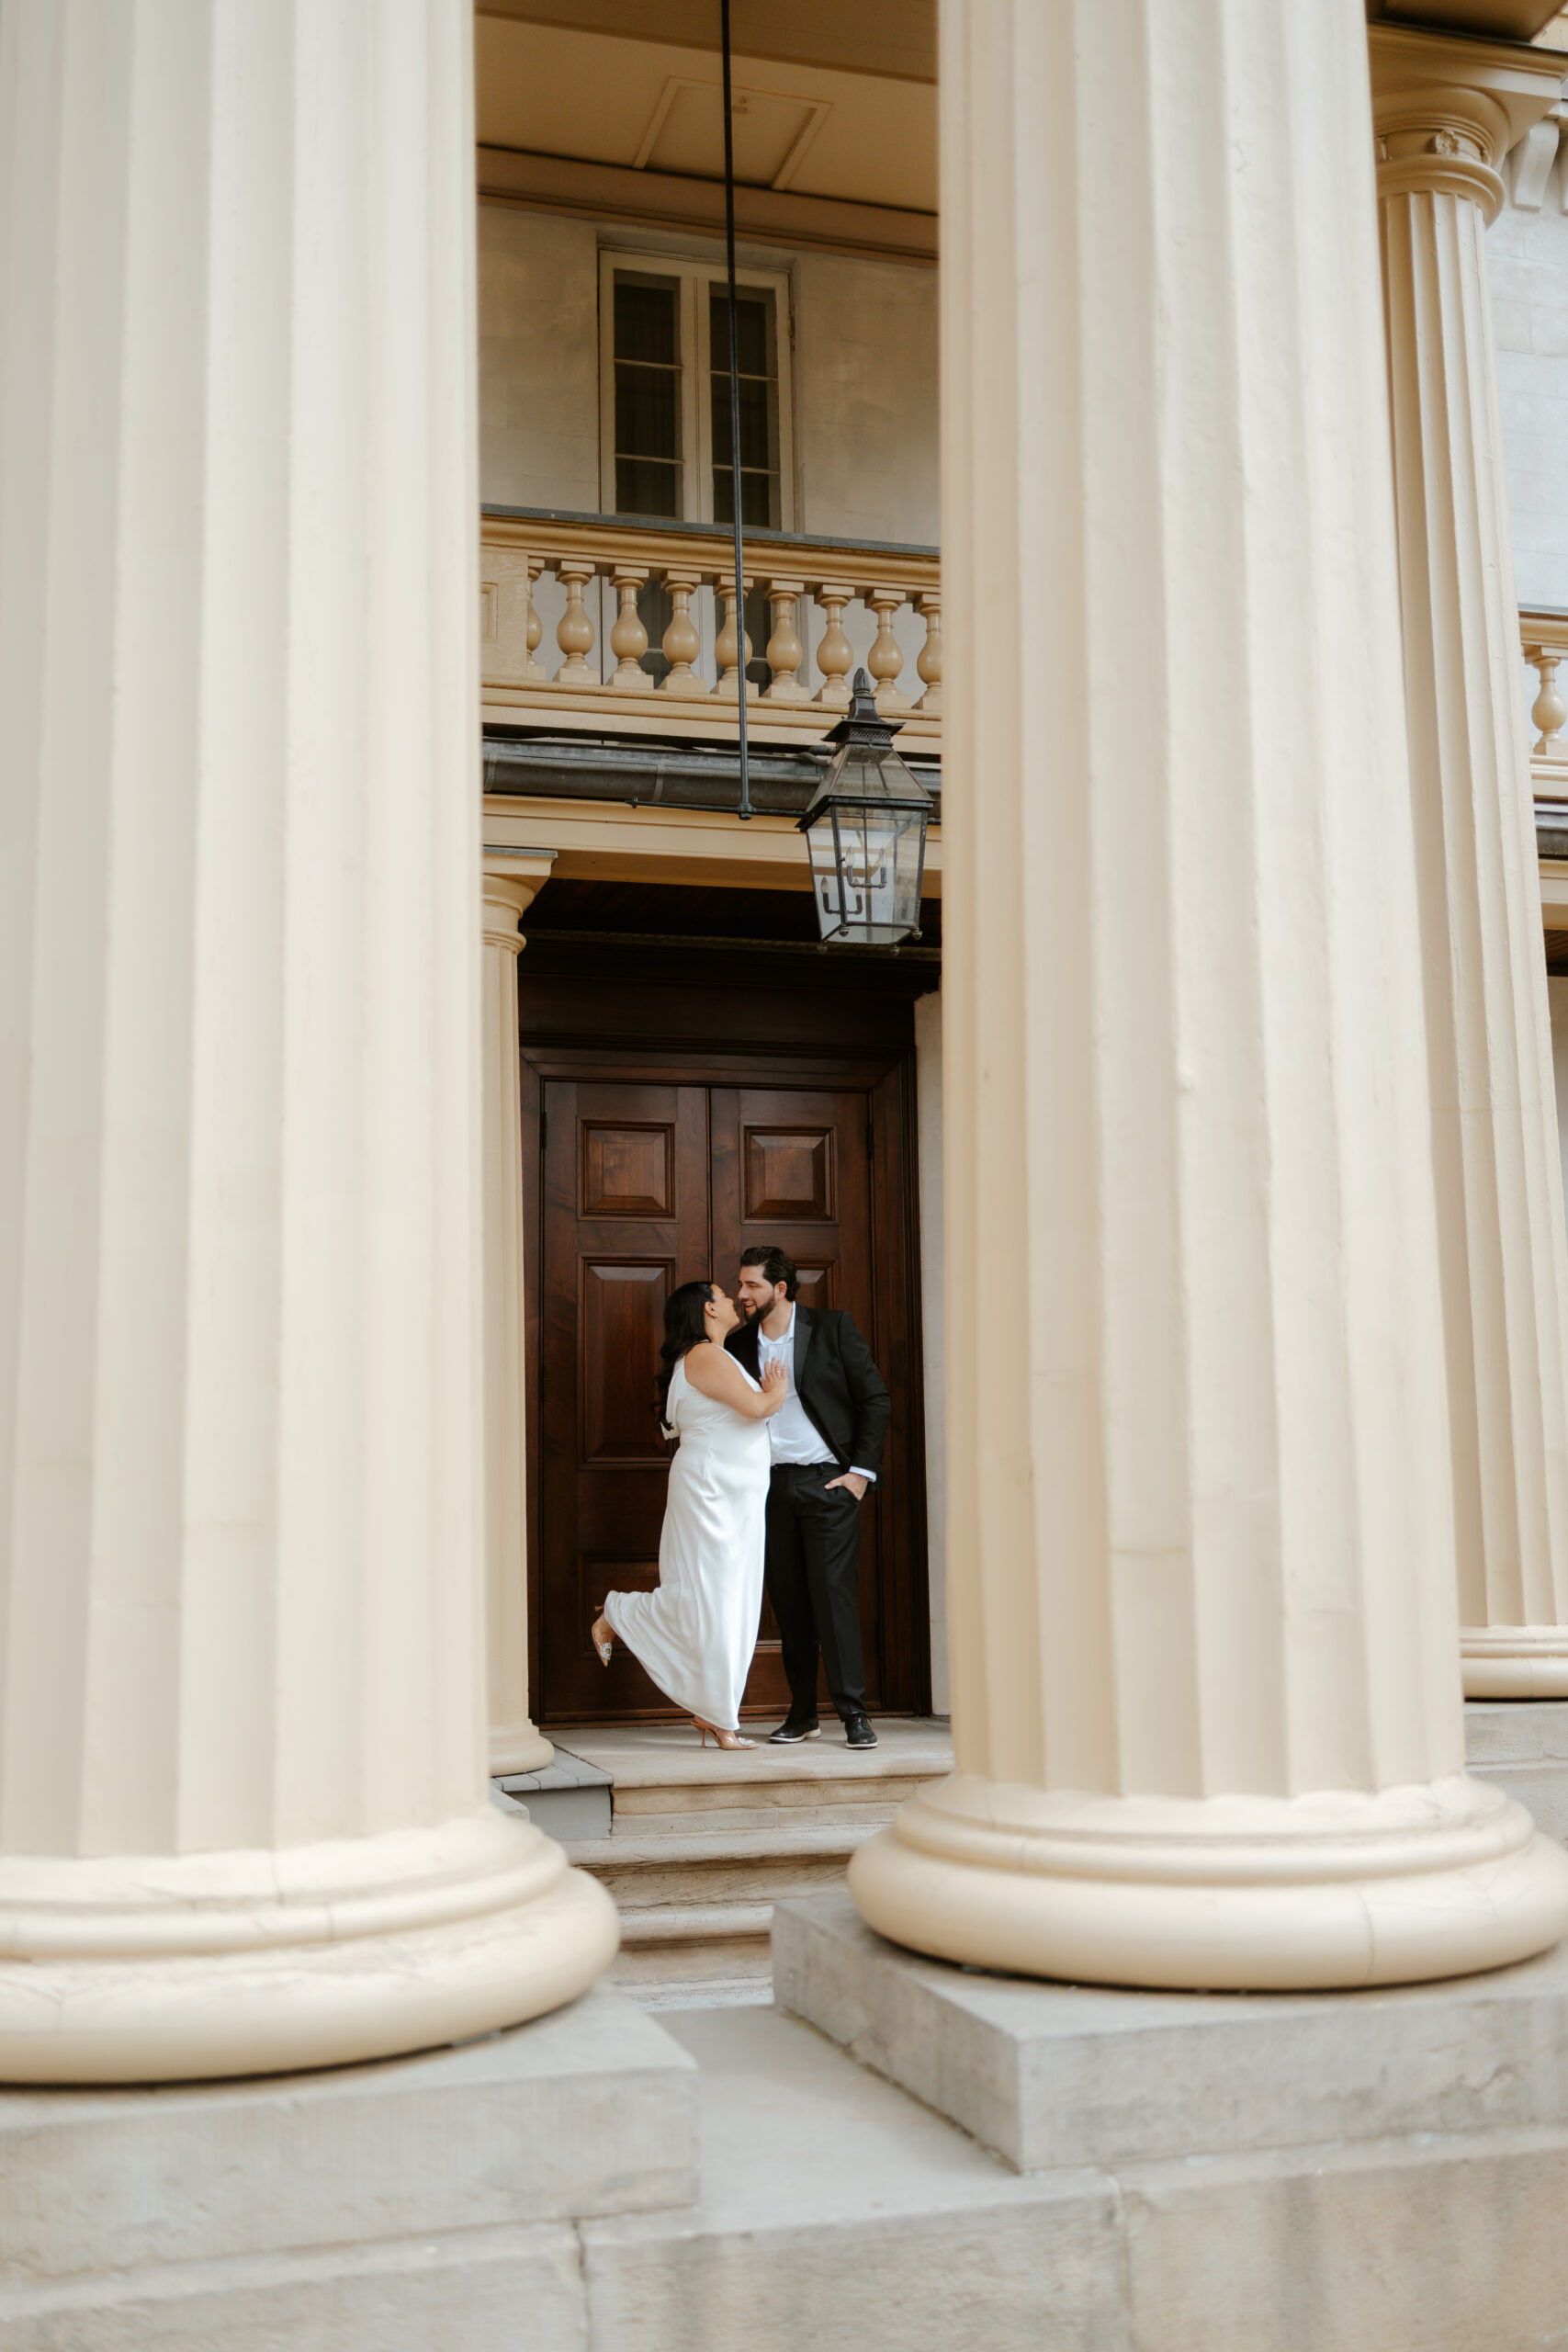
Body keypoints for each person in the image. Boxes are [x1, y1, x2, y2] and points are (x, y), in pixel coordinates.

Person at [591, 1280, 785, 1751]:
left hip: (733, 1499)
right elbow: (758, 1407)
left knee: (730, 1603)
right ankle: (616, 1613)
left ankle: (717, 1714)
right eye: (723, 1295)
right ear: (707, 1309)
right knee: (711, 1598)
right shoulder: (704, 1355)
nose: (732, 1300)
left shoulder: (713, 1355)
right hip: (711, 1495)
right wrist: (776, 1390)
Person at [727, 1246, 891, 1748]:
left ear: (780, 1288)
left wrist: (859, 1473)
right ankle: (802, 1714)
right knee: (790, 1604)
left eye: (752, 1285)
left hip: (828, 1483)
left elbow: (874, 1399)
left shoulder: (831, 1327)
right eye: (741, 1285)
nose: (742, 1294)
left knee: (832, 1600)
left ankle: (854, 1713)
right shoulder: (738, 1344)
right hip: (769, 1488)